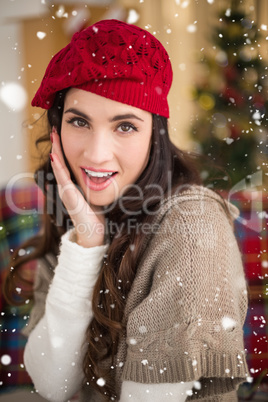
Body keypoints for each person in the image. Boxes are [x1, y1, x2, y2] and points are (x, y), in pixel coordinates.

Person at [4, 19, 249, 402]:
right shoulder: (72, 211)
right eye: (79, 121)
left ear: (155, 135)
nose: (97, 154)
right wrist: (86, 243)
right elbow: (54, 384)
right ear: (57, 129)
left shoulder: (193, 225)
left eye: (125, 127)